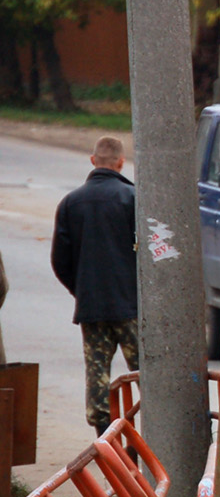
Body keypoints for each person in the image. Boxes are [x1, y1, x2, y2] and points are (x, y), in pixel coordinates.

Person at [51, 136, 138, 435]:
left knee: (98, 375)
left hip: (92, 310)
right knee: (146, 375)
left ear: (92, 161)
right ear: (120, 163)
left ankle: (106, 441)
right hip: (131, 309)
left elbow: (59, 261)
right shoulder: (132, 198)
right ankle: (146, 441)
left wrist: (82, 289)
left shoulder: (71, 203)